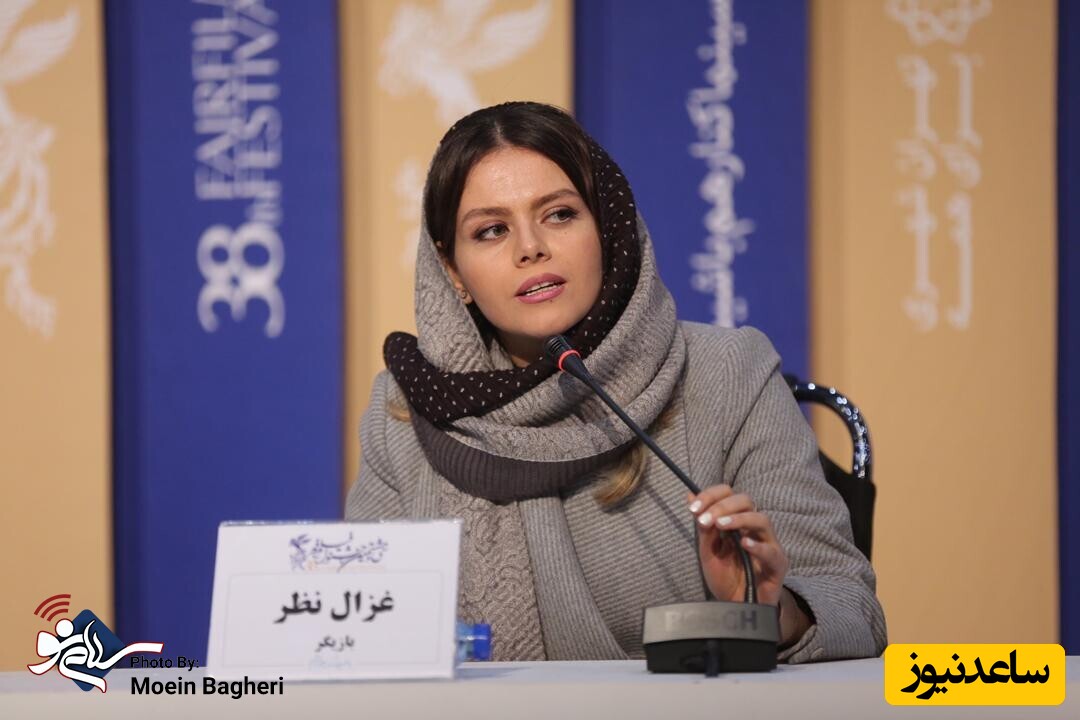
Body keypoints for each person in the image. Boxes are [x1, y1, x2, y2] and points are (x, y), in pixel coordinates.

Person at [346, 101, 887, 663]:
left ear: (607, 227)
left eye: (559, 215)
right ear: (453, 271)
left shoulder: (728, 374)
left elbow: (853, 608)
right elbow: (362, 631)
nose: (530, 247)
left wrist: (767, 611)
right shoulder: (406, 410)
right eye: (491, 230)